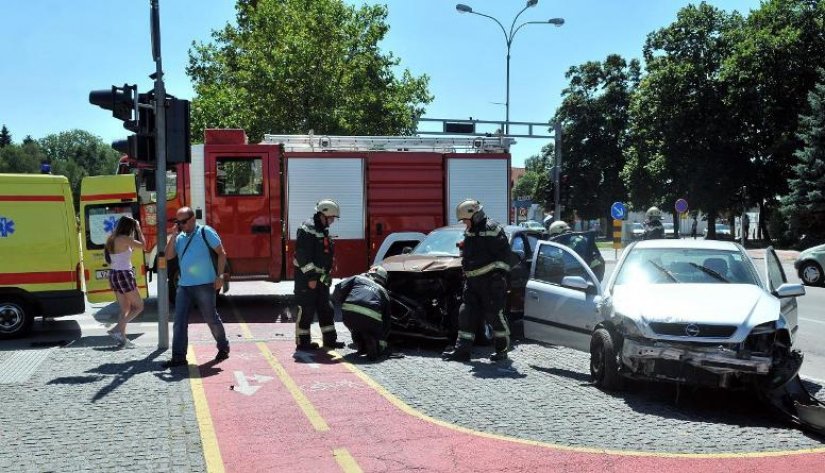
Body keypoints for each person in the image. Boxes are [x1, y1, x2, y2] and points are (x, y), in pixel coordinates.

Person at [442, 199, 512, 362]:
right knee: (466, 315)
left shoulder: (493, 229)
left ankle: (501, 351)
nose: (464, 224)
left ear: (475, 216)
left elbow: (505, 255)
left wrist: (499, 275)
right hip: (473, 283)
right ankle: (462, 352)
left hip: (491, 282)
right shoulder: (470, 231)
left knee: (494, 316)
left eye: (465, 220)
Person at [162, 207, 230, 368]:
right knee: (179, 322)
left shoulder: (206, 232)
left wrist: (220, 276)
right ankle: (178, 357)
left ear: (193, 219)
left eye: (183, 222)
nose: (181, 225)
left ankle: (223, 346)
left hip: (205, 285)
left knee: (211, 318)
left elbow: (222, 253)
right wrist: (173, 236)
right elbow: (168, 255)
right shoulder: (179, 237)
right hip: (184, 286)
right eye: (178, 222)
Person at [294, 199, 345, 351]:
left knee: (326, 308)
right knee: (306, 309)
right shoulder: (308, 228)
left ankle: (330, 340)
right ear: (323, 214)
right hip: (307, 279)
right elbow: (302, 256)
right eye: (331, 218)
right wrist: (311, 277)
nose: (333, 222)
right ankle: (303, 343)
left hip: (321, 278)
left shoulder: (322, 229)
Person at [332, 266, 392, 360]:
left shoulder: (357, 278)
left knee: (355, 327)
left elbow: (338, 289)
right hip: (371, 320)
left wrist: (344, 303)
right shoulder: (384, 292)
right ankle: (371, 342)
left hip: (349, 315)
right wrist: (381, 343)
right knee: (369, 328)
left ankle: (361, 345)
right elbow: (387, 320)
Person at [104, 216, 145, 348]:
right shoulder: (125, 239)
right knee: (139, 306)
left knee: (125, 309)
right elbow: (143, 246)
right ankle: (117, 329)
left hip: (114, 274)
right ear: (129, 228)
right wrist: (138, 229)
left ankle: (123, 339)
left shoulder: (112, 238)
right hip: (124, 274)